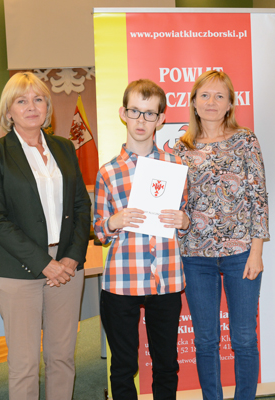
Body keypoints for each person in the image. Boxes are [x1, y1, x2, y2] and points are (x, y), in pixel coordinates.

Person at [0, 72, 91, 400]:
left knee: (62, 358)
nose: (31, 107)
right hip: (19, 269)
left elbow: (81, 206)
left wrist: (71, 257)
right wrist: (45, 263)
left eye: (38, 99)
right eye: (21, 101)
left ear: (47, 108)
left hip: (67, 266)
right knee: (24, 364)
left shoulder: (64, 147)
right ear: (8, 111)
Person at [173, 70, 269, 400]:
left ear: (230, 104)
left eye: (219, 96)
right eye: (204, 95)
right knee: (205, 340)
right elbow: (176, 201)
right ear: (193, 102)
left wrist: (256, 252)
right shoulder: (180, 149)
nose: (211, 102)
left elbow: (258, 198)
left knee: (244, 338)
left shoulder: (245, 140)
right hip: (195, 257)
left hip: (241, 254)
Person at [94, 79, 189, 400]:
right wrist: (114, 221)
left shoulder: (176, 165)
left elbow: (185, 216)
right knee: (123, 366)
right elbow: (99, 231)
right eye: (135, 111)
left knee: (166, 364)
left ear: (161, 119)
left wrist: (184, 221)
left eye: (150, 114)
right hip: (122, 282)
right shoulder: (108, 172)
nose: (141, 120)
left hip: (167, 279)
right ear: (123, 113)